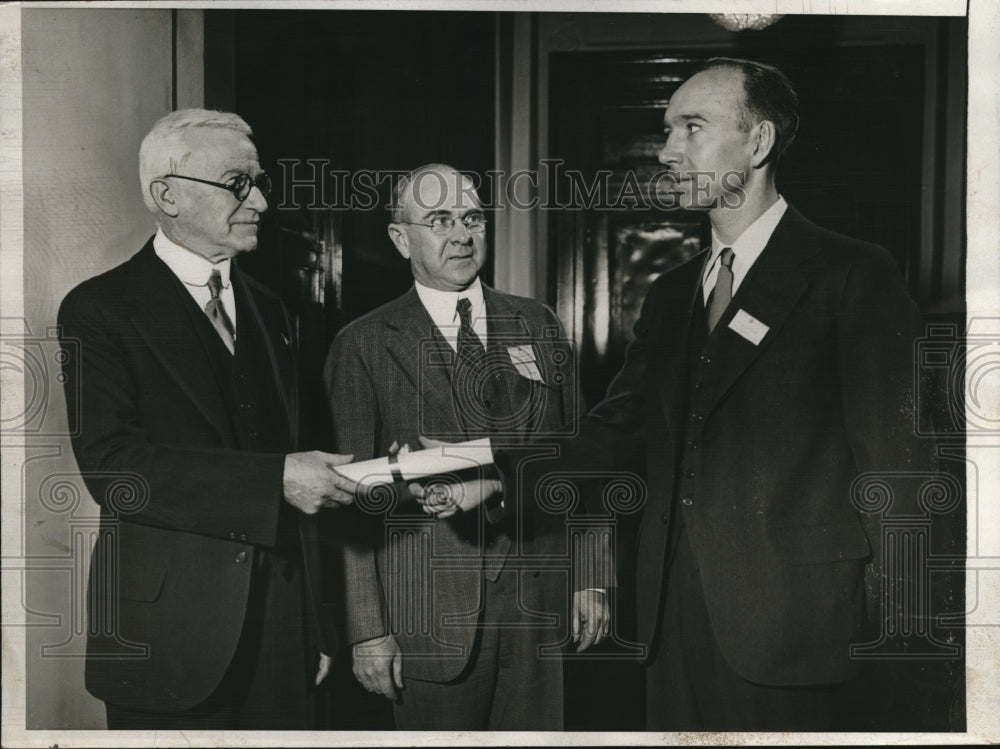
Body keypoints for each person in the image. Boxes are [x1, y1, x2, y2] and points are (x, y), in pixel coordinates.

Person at [436, 58, 934, 730]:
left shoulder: (851, 273)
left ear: (757, 143)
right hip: (672, 622)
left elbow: (899, 470)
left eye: (691, 128)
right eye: (667, 130)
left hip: (802, 629)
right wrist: (493, 473)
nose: (667, 151)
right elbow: (618, 430)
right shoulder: (673, 293)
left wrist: (899, 643)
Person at [57, 108, 358, 730]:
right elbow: (115, 471)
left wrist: (319, 624)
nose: (263, 203)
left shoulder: (274, 309)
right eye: (238, 183)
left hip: (281, 632)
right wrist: (273, 480)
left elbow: (299, 459)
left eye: (261, 182)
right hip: (166, 639)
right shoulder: (100, 308)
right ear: (165, 194)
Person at [323, 164, 613, 730]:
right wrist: (367, 630)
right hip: (427, 619)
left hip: (540, 604)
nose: (461, 234)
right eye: (438, 220)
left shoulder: (539, 323)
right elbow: (349, 495)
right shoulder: (362, 344)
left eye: (472, 217)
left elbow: (585, 460)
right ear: (400, 238)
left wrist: (592, 576)